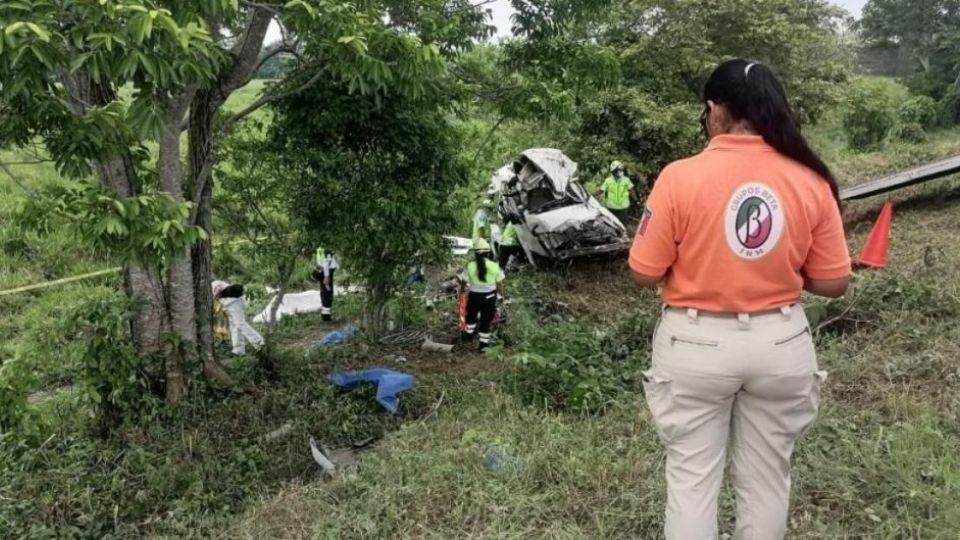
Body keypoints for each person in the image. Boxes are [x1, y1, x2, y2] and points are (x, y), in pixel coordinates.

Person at [628, 59, 850, 540]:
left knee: (692, 479)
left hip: (695, 345)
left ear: (714, 110)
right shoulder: (810, 179)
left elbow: (644, 272)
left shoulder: (678, 177)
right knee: (768, 478)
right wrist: (779, 270)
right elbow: (834, 282)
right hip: (781, 342)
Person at [459, 238, 505, 351]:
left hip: (474, 296)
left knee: (471, 316)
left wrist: (462, 290)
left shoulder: (470, 266)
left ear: (475, 253)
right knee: (486, 320)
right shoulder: (494, 266)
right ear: (488, 252)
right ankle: (483, 345)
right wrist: (501, 296)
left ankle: (468, 335)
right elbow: (499, 284)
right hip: (489, 297)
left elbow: (463, 281)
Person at [212, 280, 264, 356]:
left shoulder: (213, 284)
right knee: (234, 326)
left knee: (240, 324)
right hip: (229, 302)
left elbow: (218, 294)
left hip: (233, 300)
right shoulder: (212, 285)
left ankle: (259, 343)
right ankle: (238, 350)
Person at [601, 160, 636, 225]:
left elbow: (631, 190)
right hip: (611, 207)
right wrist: (591, 195)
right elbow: (601, 190)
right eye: (615, 171)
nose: (617, 173)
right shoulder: (608, 180)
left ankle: (624, 234)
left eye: (619, 170)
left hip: (623, 207)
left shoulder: (626, 180)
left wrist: (636, 200)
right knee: (612, 224)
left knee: (624, 224)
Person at [312, 246, 339, 322]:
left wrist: (326, 276)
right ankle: (326, 317)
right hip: (326, 272)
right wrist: (326, 276)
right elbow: (325, 262)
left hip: (324, 272)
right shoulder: (323, 248)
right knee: (327, 294)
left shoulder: (321, 248)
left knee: (325, 293)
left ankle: (326, 316)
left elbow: (324, 263)